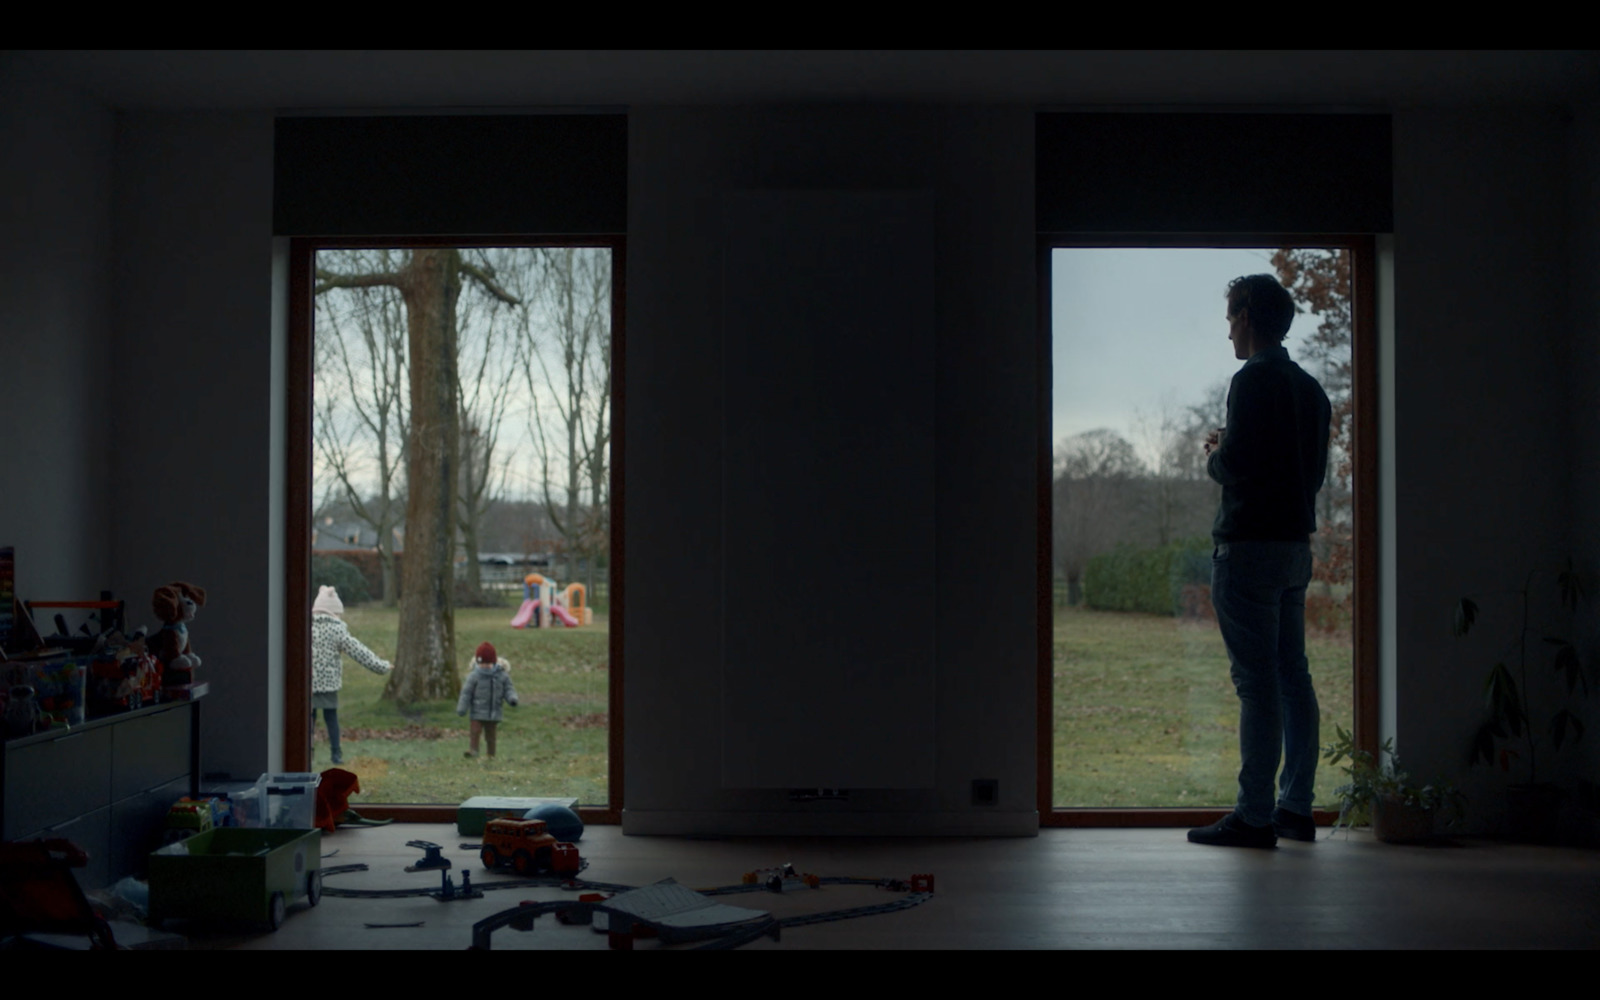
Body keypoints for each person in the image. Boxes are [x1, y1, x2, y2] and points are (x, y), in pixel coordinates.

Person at [1188, 274, 1332, 849]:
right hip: (1295, 550)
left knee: (1257, 684)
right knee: (1293, 676)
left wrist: (1215, 453)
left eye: (1230, 321)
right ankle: (1296, 808)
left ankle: (1254, 816)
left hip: (1247, 550)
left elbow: (1237, 464)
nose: (1228, 334)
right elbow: (1311, 476)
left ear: (1247, 316)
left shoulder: (1250, 381)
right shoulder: (1312, 391)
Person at [311, 585, 392, 766]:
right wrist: (382, 666)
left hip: (307, 684)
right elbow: (359, 652)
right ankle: (336, 753)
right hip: (328, 684)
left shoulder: (306, 628)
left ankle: (308, 754)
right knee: (331, 718)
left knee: (309, 719)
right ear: (333, 612)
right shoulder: (337, 630)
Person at [457, 641, 518, 758]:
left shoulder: (501, 676)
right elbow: (466, 693)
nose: (484, 666)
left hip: (493, 713)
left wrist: (512, 699)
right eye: (482, 663)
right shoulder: (473, 676)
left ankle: (491, 754)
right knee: (475, 732)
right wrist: (462, 708)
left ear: (494, 662)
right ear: (477, 663)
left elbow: (508, 689)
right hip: (477, 712)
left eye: (488, 663)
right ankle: (473, 750)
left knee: (491, 735)